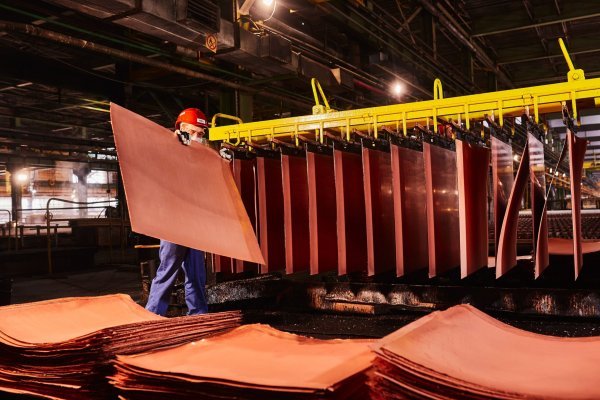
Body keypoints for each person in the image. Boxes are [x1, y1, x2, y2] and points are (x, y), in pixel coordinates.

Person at [145, 108, 209, 316]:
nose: (197, 138)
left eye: (201, 134)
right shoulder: (165, 150)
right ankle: (153, 317)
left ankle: (198, 315)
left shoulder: (198, 156)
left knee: (196, 273)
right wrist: (174, 145)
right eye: (193, 132)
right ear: (181, 129)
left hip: (195, 222)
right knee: (168, 271)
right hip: (173, 221)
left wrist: (223, 161)